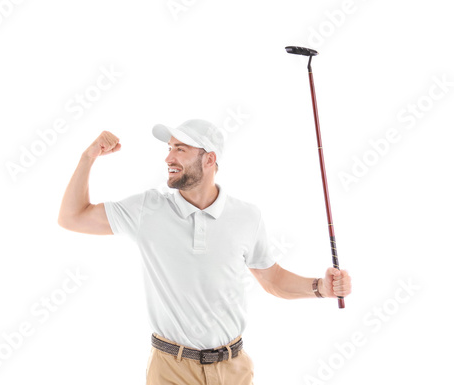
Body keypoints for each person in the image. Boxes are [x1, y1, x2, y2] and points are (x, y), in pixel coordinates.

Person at [58, 119, 352, 385]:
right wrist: (88, 158)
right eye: (170, 148)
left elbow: (272, 279)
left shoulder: (247, 216)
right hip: (171, 370)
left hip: (233, 369)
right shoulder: (147, 209)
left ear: (209, 159)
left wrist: (321, 288)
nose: (168, 157)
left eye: (180, 149)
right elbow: (72, 217)